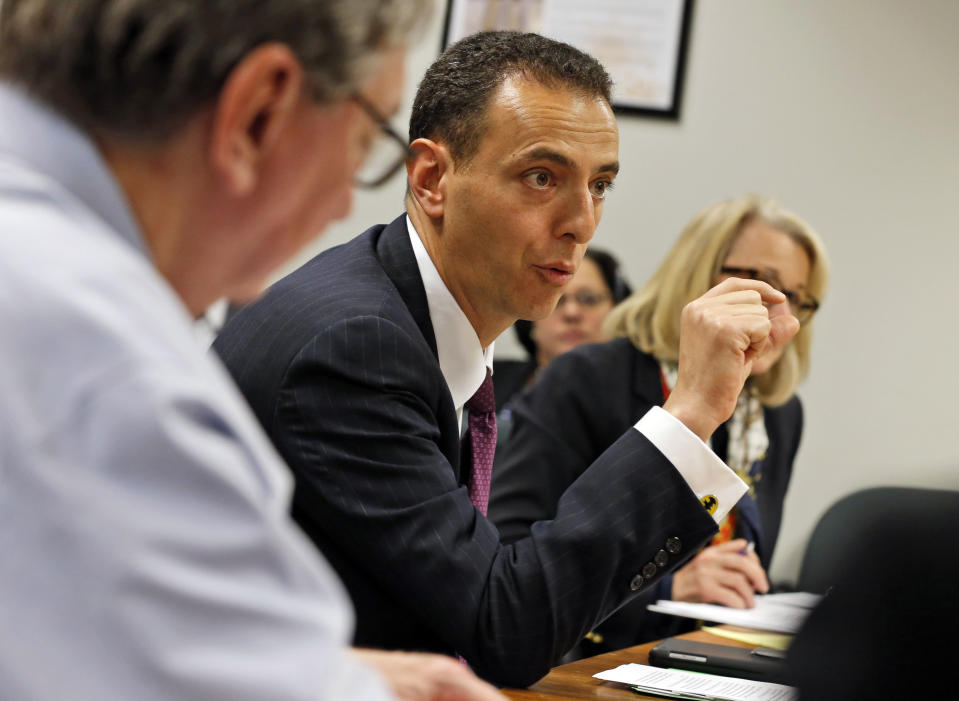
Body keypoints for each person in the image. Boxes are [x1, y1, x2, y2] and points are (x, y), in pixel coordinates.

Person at [215, 32, 798, 687]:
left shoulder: (406, 317)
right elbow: (505, 628)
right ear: (432, 178)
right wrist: (689, 411)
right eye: (540, 177)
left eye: (600, 184)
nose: (580, 221)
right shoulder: (354, 349)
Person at [0, 2, 505, 700]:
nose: (339, 206)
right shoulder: (105, 359)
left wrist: (319, 669)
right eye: (366, 143)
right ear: (258, 114)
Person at [488, 195, 829, 657]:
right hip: (587, 663)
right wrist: (666, 591)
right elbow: (509, 557)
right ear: (696, 273)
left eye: (797, 299)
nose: (779, 314)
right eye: (762, 285)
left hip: (711, 661)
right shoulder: (586, 378)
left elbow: (743, 562)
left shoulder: (779, 414)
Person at [492, 247, 632, 411]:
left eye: (588, 299)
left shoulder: (646, 398)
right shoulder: (482, 381)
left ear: (618, 309)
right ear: (529, 319)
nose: (571, 313)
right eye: (557, 301)